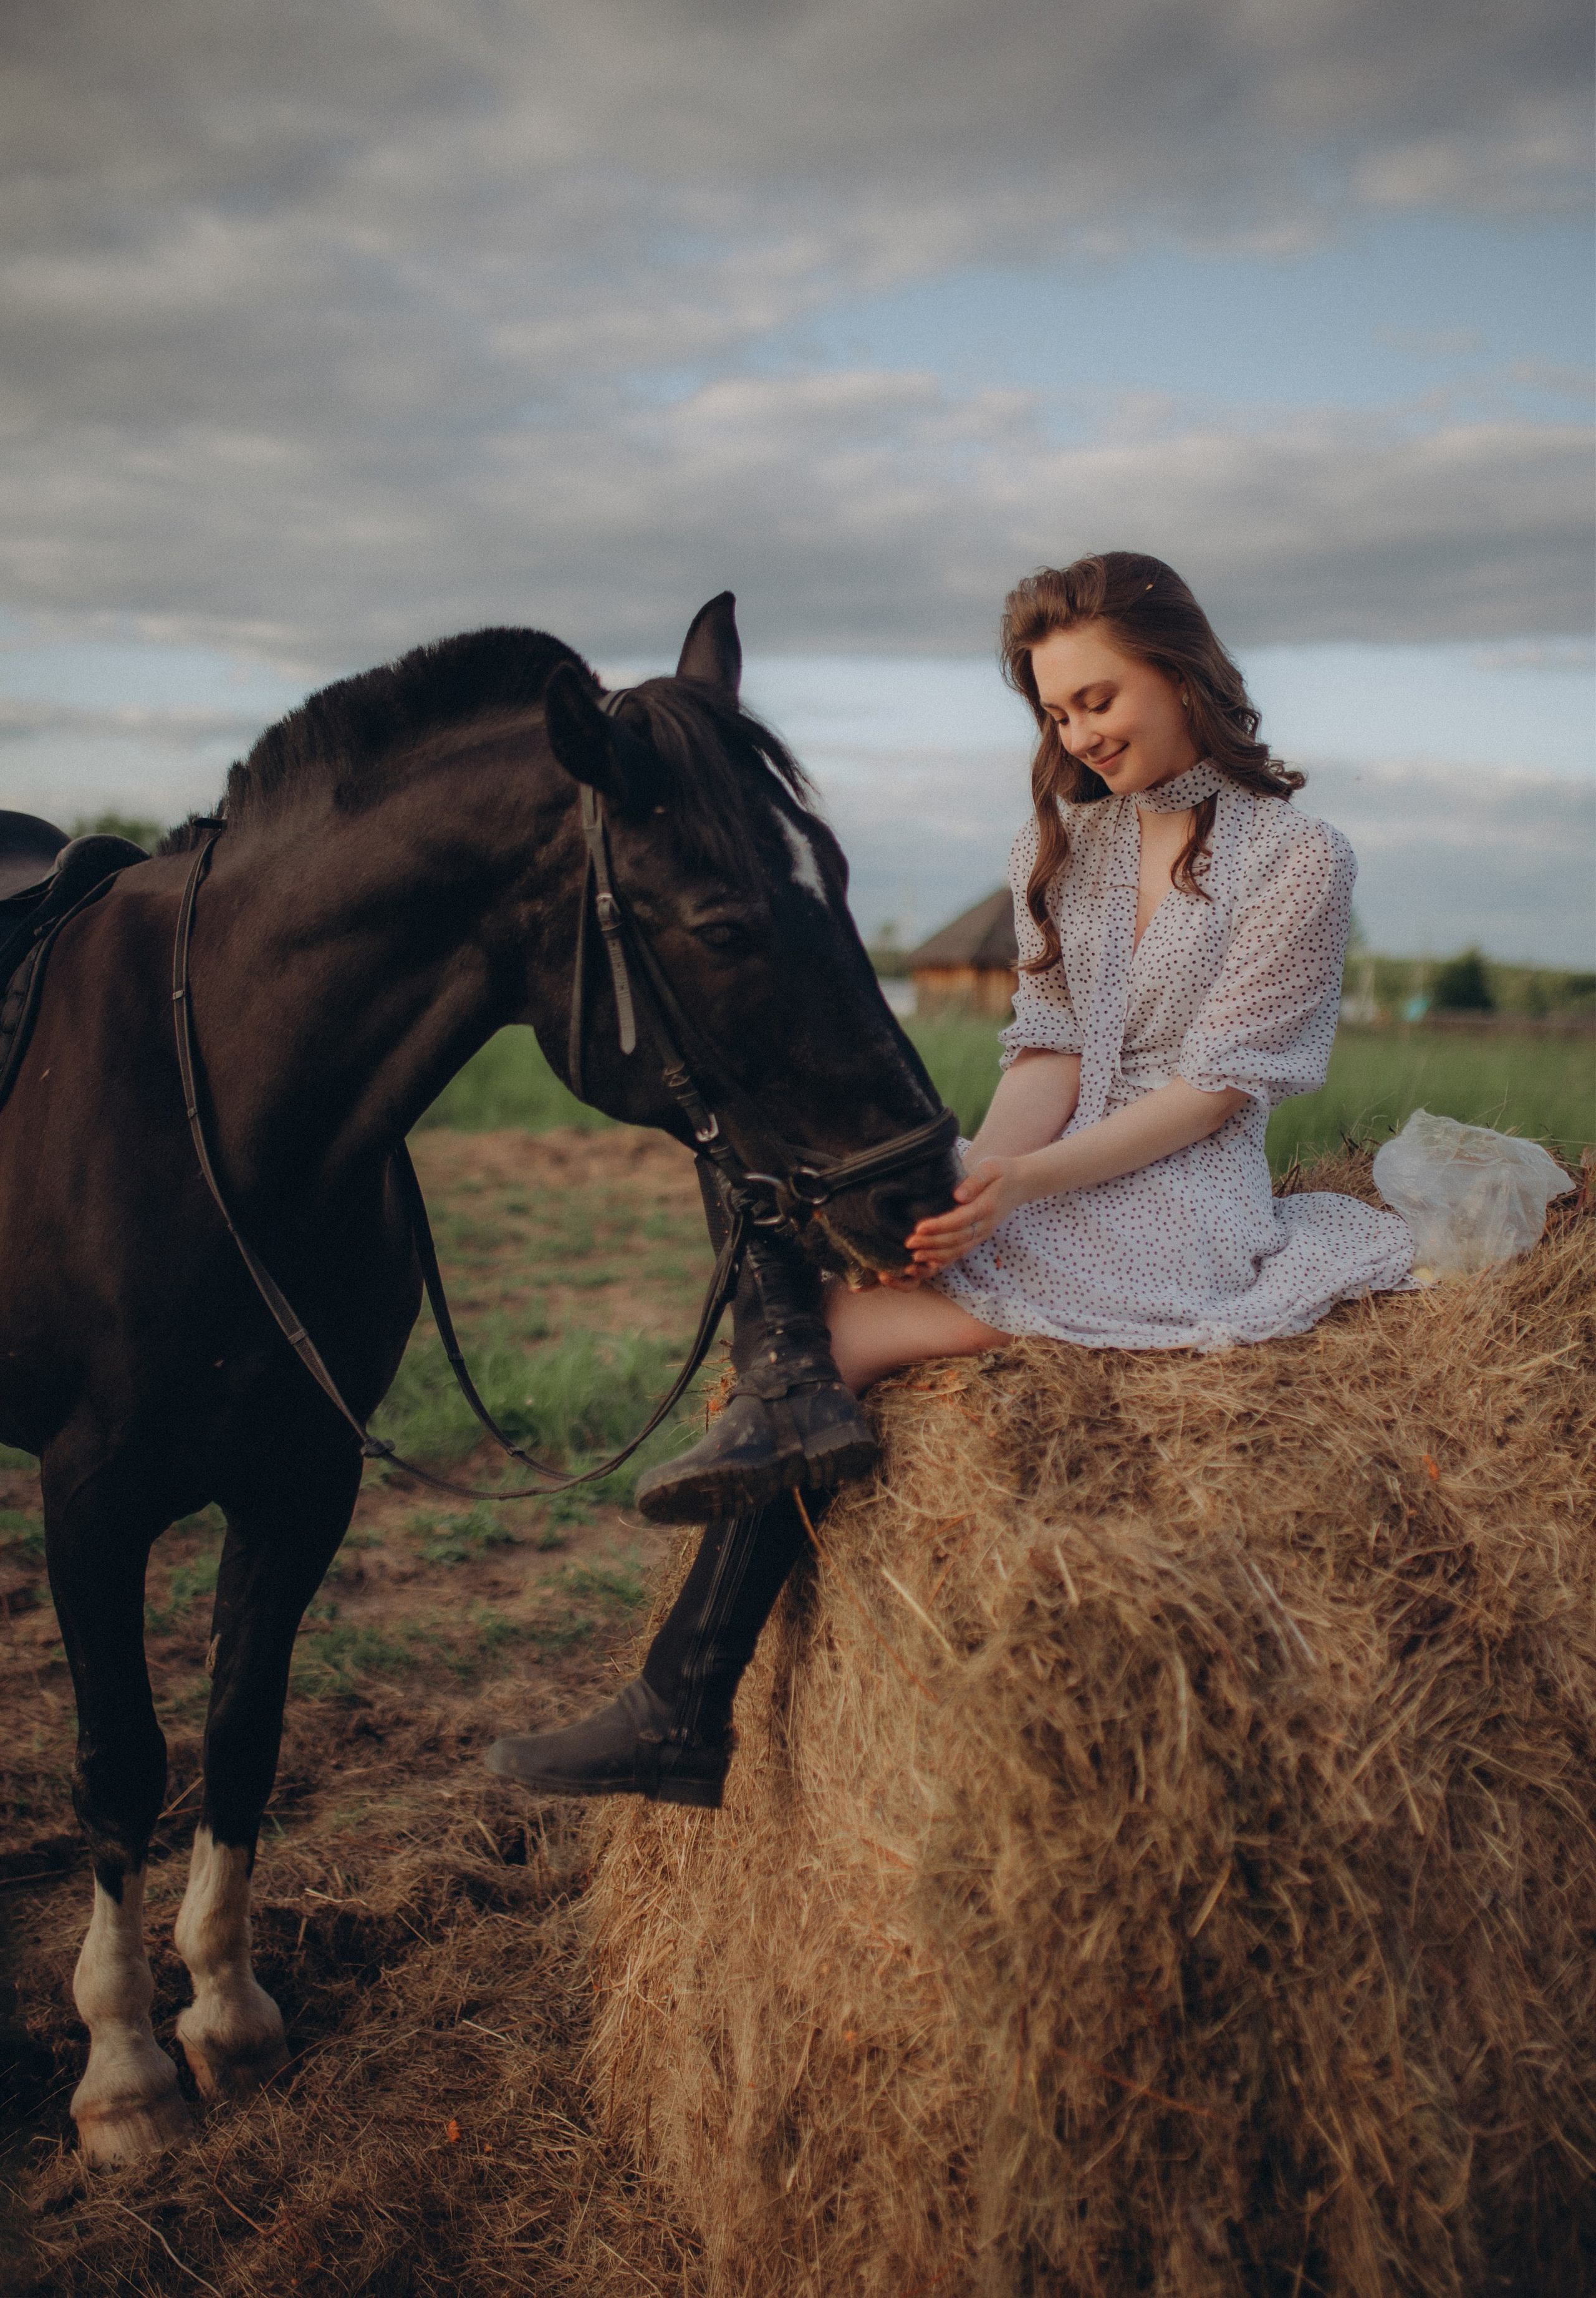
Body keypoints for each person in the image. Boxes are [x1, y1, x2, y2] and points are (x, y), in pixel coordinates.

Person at [488, 551, 1413, 1809]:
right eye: (1053, 712)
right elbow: (1041, 1050)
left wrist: (1022, 1189)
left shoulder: (1298, 858)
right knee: (791, 1212)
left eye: (1097, 698)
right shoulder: (1065, 842)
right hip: (1056, 1164)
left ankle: (680, 1702)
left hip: (1183, 1190)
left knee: (847, 1330)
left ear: (1180, 670)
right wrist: (976, 1169)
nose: (1077, 733)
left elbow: (1210, 1094)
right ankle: (690, 1677)